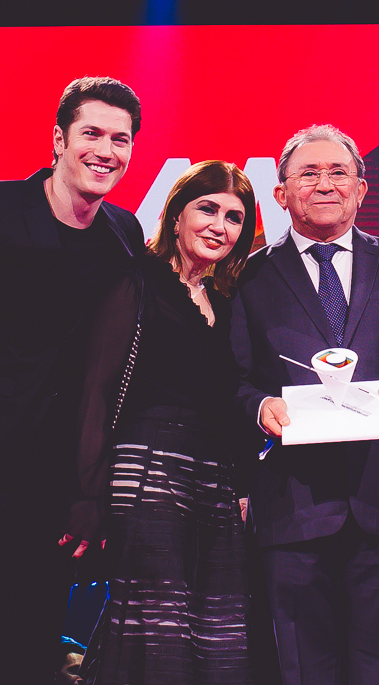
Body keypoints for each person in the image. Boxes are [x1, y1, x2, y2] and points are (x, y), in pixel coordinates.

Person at [0, 77, 145, 685]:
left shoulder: (123, 234)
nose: (106, 150)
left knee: (36, 652)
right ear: (59, 140)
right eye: (91, 134)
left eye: (120, 139)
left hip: (55, 488)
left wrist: (91, 490)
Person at [230, 124, 379, 685]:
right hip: (293, 509)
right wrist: (259, 408)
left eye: (338, 172)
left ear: (361, 188)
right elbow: (233, 380)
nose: (324, 184)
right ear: (281, 193)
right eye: (308, 173)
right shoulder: (247, 274)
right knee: (304, 670)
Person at [63, 161, 257, 684]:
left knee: (217, 632)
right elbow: (96, 393)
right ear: (175, 216)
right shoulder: (138, 281)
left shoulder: (226, 301)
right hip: (147, 469)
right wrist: (88, 496)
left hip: (214, 480)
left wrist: (240, 485)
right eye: (208, 209)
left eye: (235, 217)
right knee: (156, 631)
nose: (220, 226)